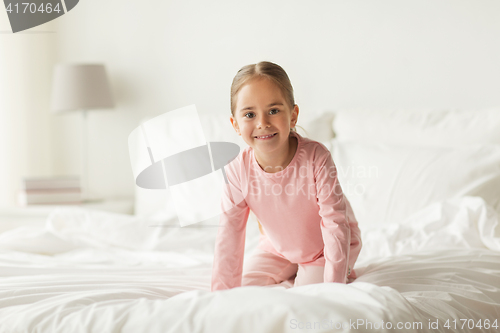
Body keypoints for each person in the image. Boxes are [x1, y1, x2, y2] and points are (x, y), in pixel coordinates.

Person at [211, 61, 362, 291]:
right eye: (250, 114)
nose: (262, 123)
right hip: (277, 248)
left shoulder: (316, 157)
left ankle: (321, 273)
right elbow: (229, 235)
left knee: (308, 296)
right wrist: (220, 296)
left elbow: (335, 224)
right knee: (243, 290)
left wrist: (335, 286)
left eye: (273, 111)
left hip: (324, 249)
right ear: (236, 125)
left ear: (293, 115)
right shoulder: (237, 170)